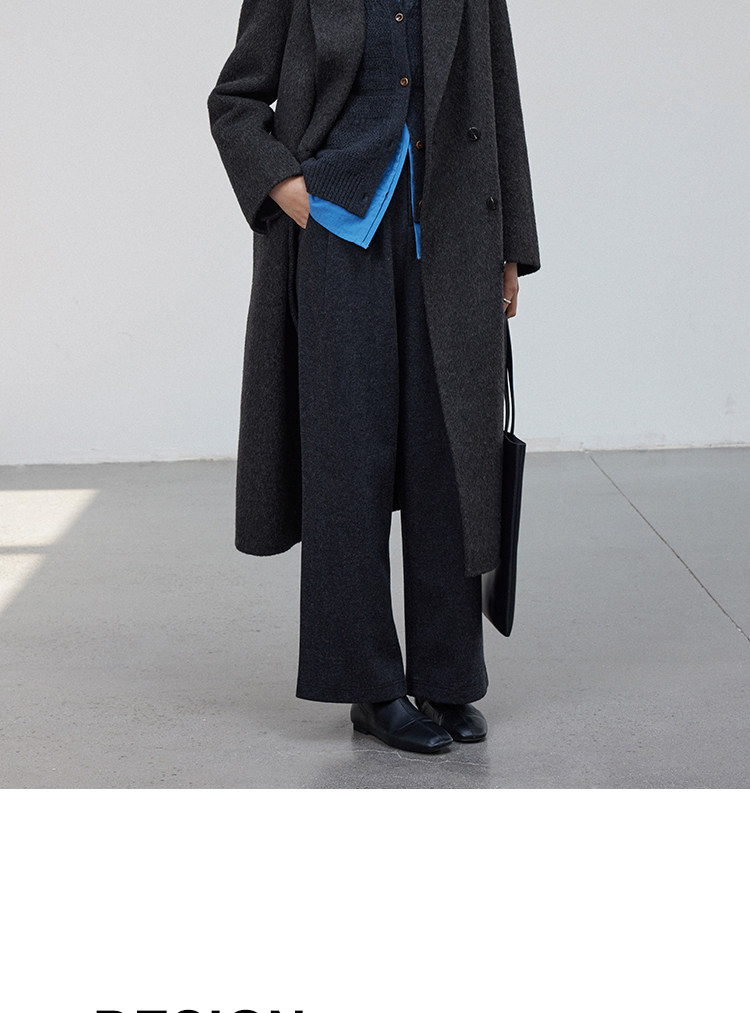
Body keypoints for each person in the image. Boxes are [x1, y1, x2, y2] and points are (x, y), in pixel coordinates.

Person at [207, 0, 541, 755]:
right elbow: (234, 100)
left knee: (448, 453)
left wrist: (512, 245)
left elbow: (501, 94)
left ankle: (448, 674)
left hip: (455, 228)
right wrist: (284, 187)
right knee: (347, 459)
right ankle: (370, 685)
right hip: (336, 232)